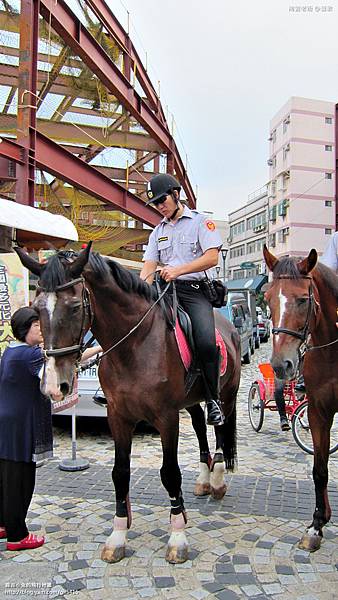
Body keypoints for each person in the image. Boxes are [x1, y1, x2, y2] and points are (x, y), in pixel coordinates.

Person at [0, 307, 101, 551]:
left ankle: (4, 524)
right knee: (20, 481)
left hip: (6, 421)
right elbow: (54, 390)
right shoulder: (31, 355)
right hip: (21, 424)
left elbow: (66, 358)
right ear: (26, 329)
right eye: (37, 326)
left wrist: (97, 348)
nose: (42, 330)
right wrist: (66, 381)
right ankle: (17, 536)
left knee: (5, 477)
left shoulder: (11, 351)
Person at [140, 173, 224, 426]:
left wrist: (179, 270)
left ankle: (213, 399)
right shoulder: (157, 232)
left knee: (206, 342)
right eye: (155, 203)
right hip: (164, 289)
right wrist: (140, 290)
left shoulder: (201, 222)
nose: (159, 206)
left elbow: (212, 258)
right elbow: (148, 268)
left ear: (176, 194)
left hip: (194, 290)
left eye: (162, 199)